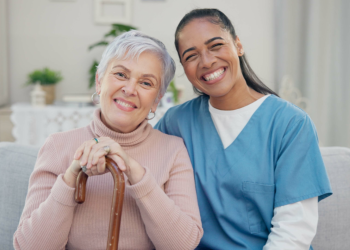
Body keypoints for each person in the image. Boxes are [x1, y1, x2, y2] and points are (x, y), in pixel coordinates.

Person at [155, 9, 332, 250]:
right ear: (184, 69)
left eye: (215, 45)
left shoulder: (290, 125)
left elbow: (294, 232)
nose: (206, 61)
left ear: (238, 45)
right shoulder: (175, 123)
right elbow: (138, 171)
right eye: (191, 55)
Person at [14, 31, 203, 250]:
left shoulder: (174, 151)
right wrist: (71, 177)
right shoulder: (58, 146)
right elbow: (28, 247)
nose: (130, 89)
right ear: (99, 82)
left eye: (146, 83)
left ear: (156, 101)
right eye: (121, 75)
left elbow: (183, 245)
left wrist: (134, 171)